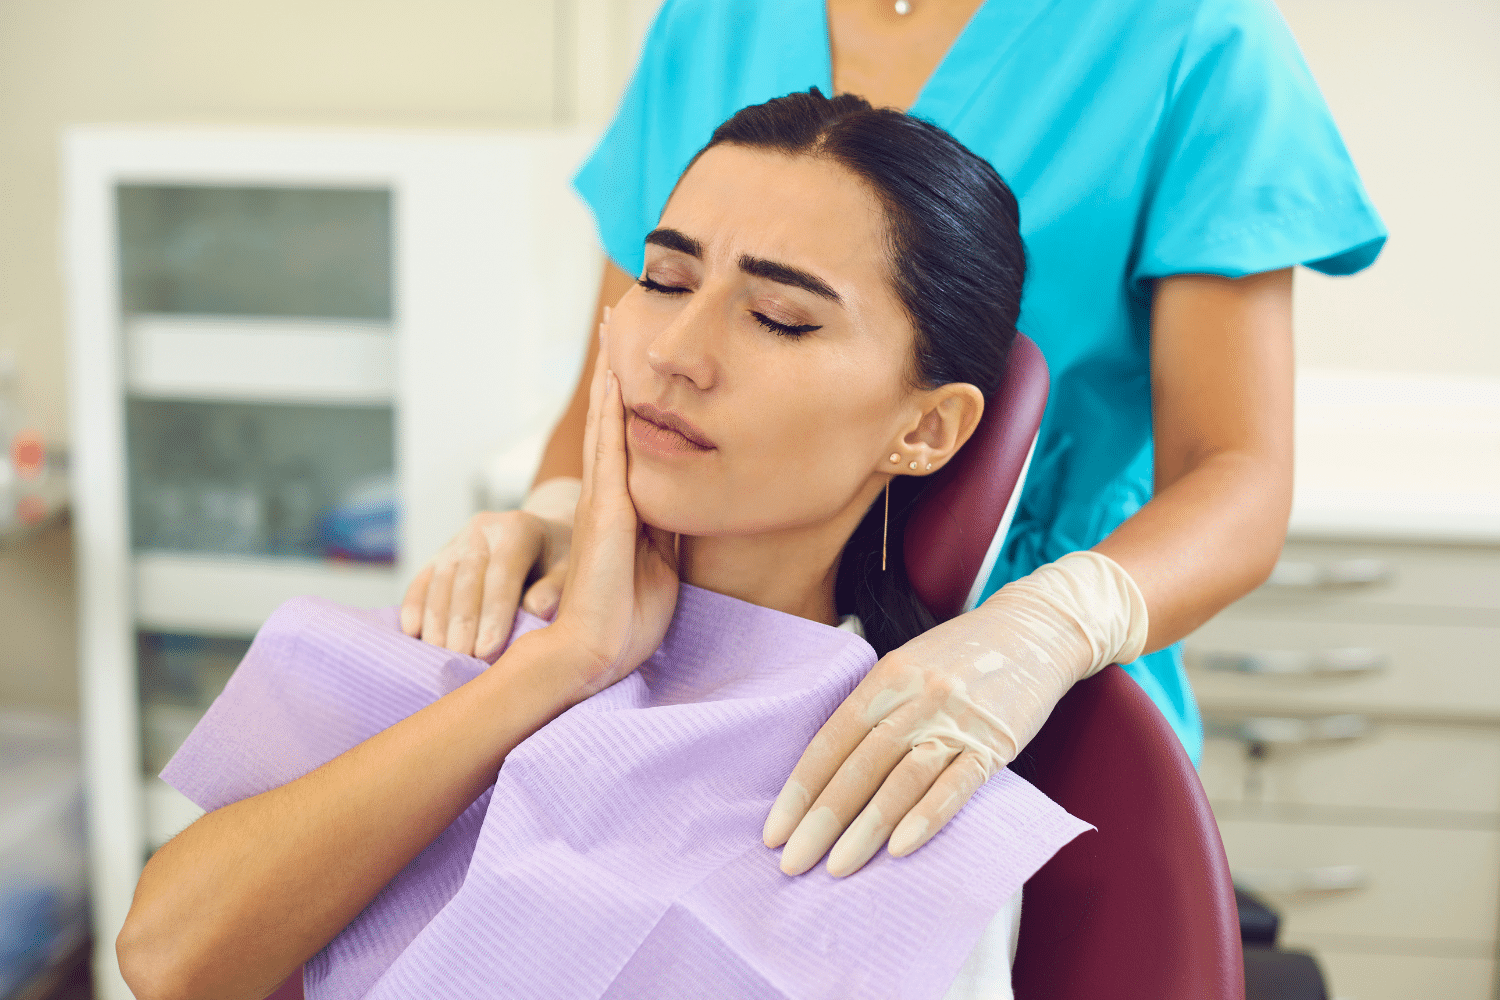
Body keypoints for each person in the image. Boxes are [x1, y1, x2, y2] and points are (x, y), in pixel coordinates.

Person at [117, 91, 1116, 1000]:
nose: (675, 352)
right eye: (665, 279)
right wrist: (559, 666)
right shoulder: (490, 612)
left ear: (926, 429)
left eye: (777, 318)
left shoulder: (906, 795)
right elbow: (171, 958)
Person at [401, 0, 1386, 869]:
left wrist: (1042, 631)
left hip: (1015, 706)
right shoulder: (711, 18)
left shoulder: (1194, 37)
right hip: (670, 651)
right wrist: (557, 515)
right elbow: (616, 376)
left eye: (783, 319)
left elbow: (1238, 473)